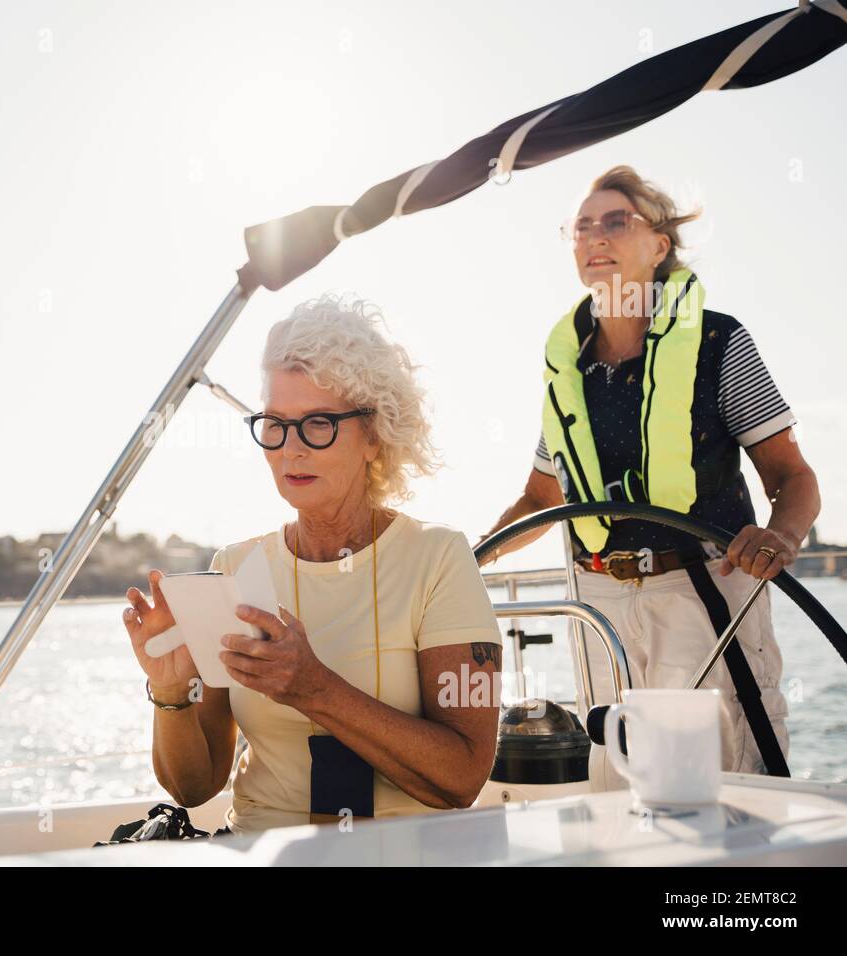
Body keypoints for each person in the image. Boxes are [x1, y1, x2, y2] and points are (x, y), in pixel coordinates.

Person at [479, 165, 820, 781]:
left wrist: (783, 536)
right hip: (599, 604)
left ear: (660, 245)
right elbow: (538, 499)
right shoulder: (568, 371)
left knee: (726, 786)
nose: (596, 237)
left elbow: (792, 475)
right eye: (582, 227)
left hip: (707, 590)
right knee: (616, 785)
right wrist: (469, 558)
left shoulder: (719, 342)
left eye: (616, 222)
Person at [122, 294, 504, 834]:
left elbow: (462, 777)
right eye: (275, 424)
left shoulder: (439, 558)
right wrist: (169, 691)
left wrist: (314, 688)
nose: (290, 449)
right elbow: (194, 786)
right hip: (262, 849)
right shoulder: (235, 566)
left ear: (374, 435)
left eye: (318, 423)